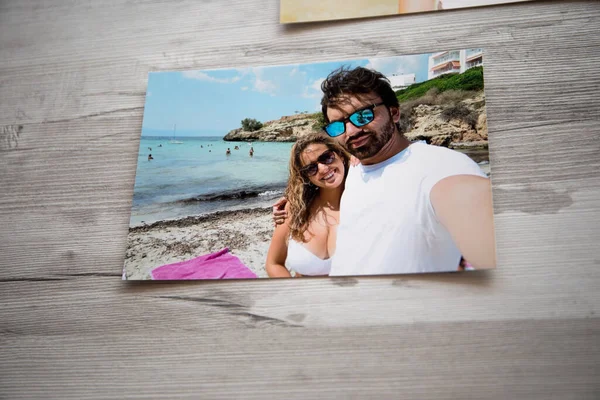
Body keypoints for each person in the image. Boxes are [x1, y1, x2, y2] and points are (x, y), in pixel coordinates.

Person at [273, 66, 496, 276]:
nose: (351, 131)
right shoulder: (354, 172)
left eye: (363, 116)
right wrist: (293, 199)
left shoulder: (442, 167)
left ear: (394, 112)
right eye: (338, 125)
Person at [266, 134, 350, 278]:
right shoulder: (296, 209)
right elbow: (274, 263)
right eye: (311, 168)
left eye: (327, 157)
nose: (323, 169)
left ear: (341, 155)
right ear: (306, 177)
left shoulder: (363, 200)